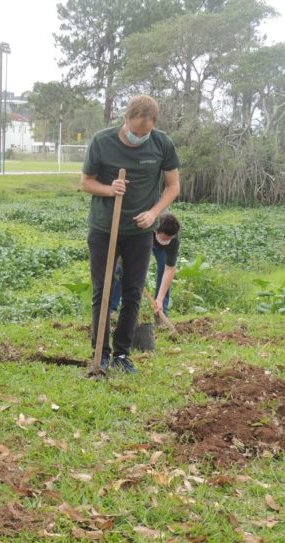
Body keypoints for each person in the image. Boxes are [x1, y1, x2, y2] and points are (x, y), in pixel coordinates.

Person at [81, 95, 180, 375]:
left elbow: (173, 186)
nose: (139, 136)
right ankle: (100, 353)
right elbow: (85, 182)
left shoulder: (162, 143)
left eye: (144, 132)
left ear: (153, 125)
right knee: (103, 289)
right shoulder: (102, 141)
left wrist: (154, 213)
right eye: (135, 131)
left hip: (140, 232)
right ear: (126, 119)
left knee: (133, 292)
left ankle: (122, 353)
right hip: (104, 228)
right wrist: (109, 189)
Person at [109, 212, 181, 316]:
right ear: (156, 231)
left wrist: (159, 299)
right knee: (121, 271)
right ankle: (111, 309)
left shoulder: (174, 238)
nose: (167, 241)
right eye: (164, 239)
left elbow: (169, 269)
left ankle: (160, 311)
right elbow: (129, 253)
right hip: (142, 241)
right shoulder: (144, 227)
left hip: (161, 249)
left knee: (163, 270)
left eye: (169, 239)